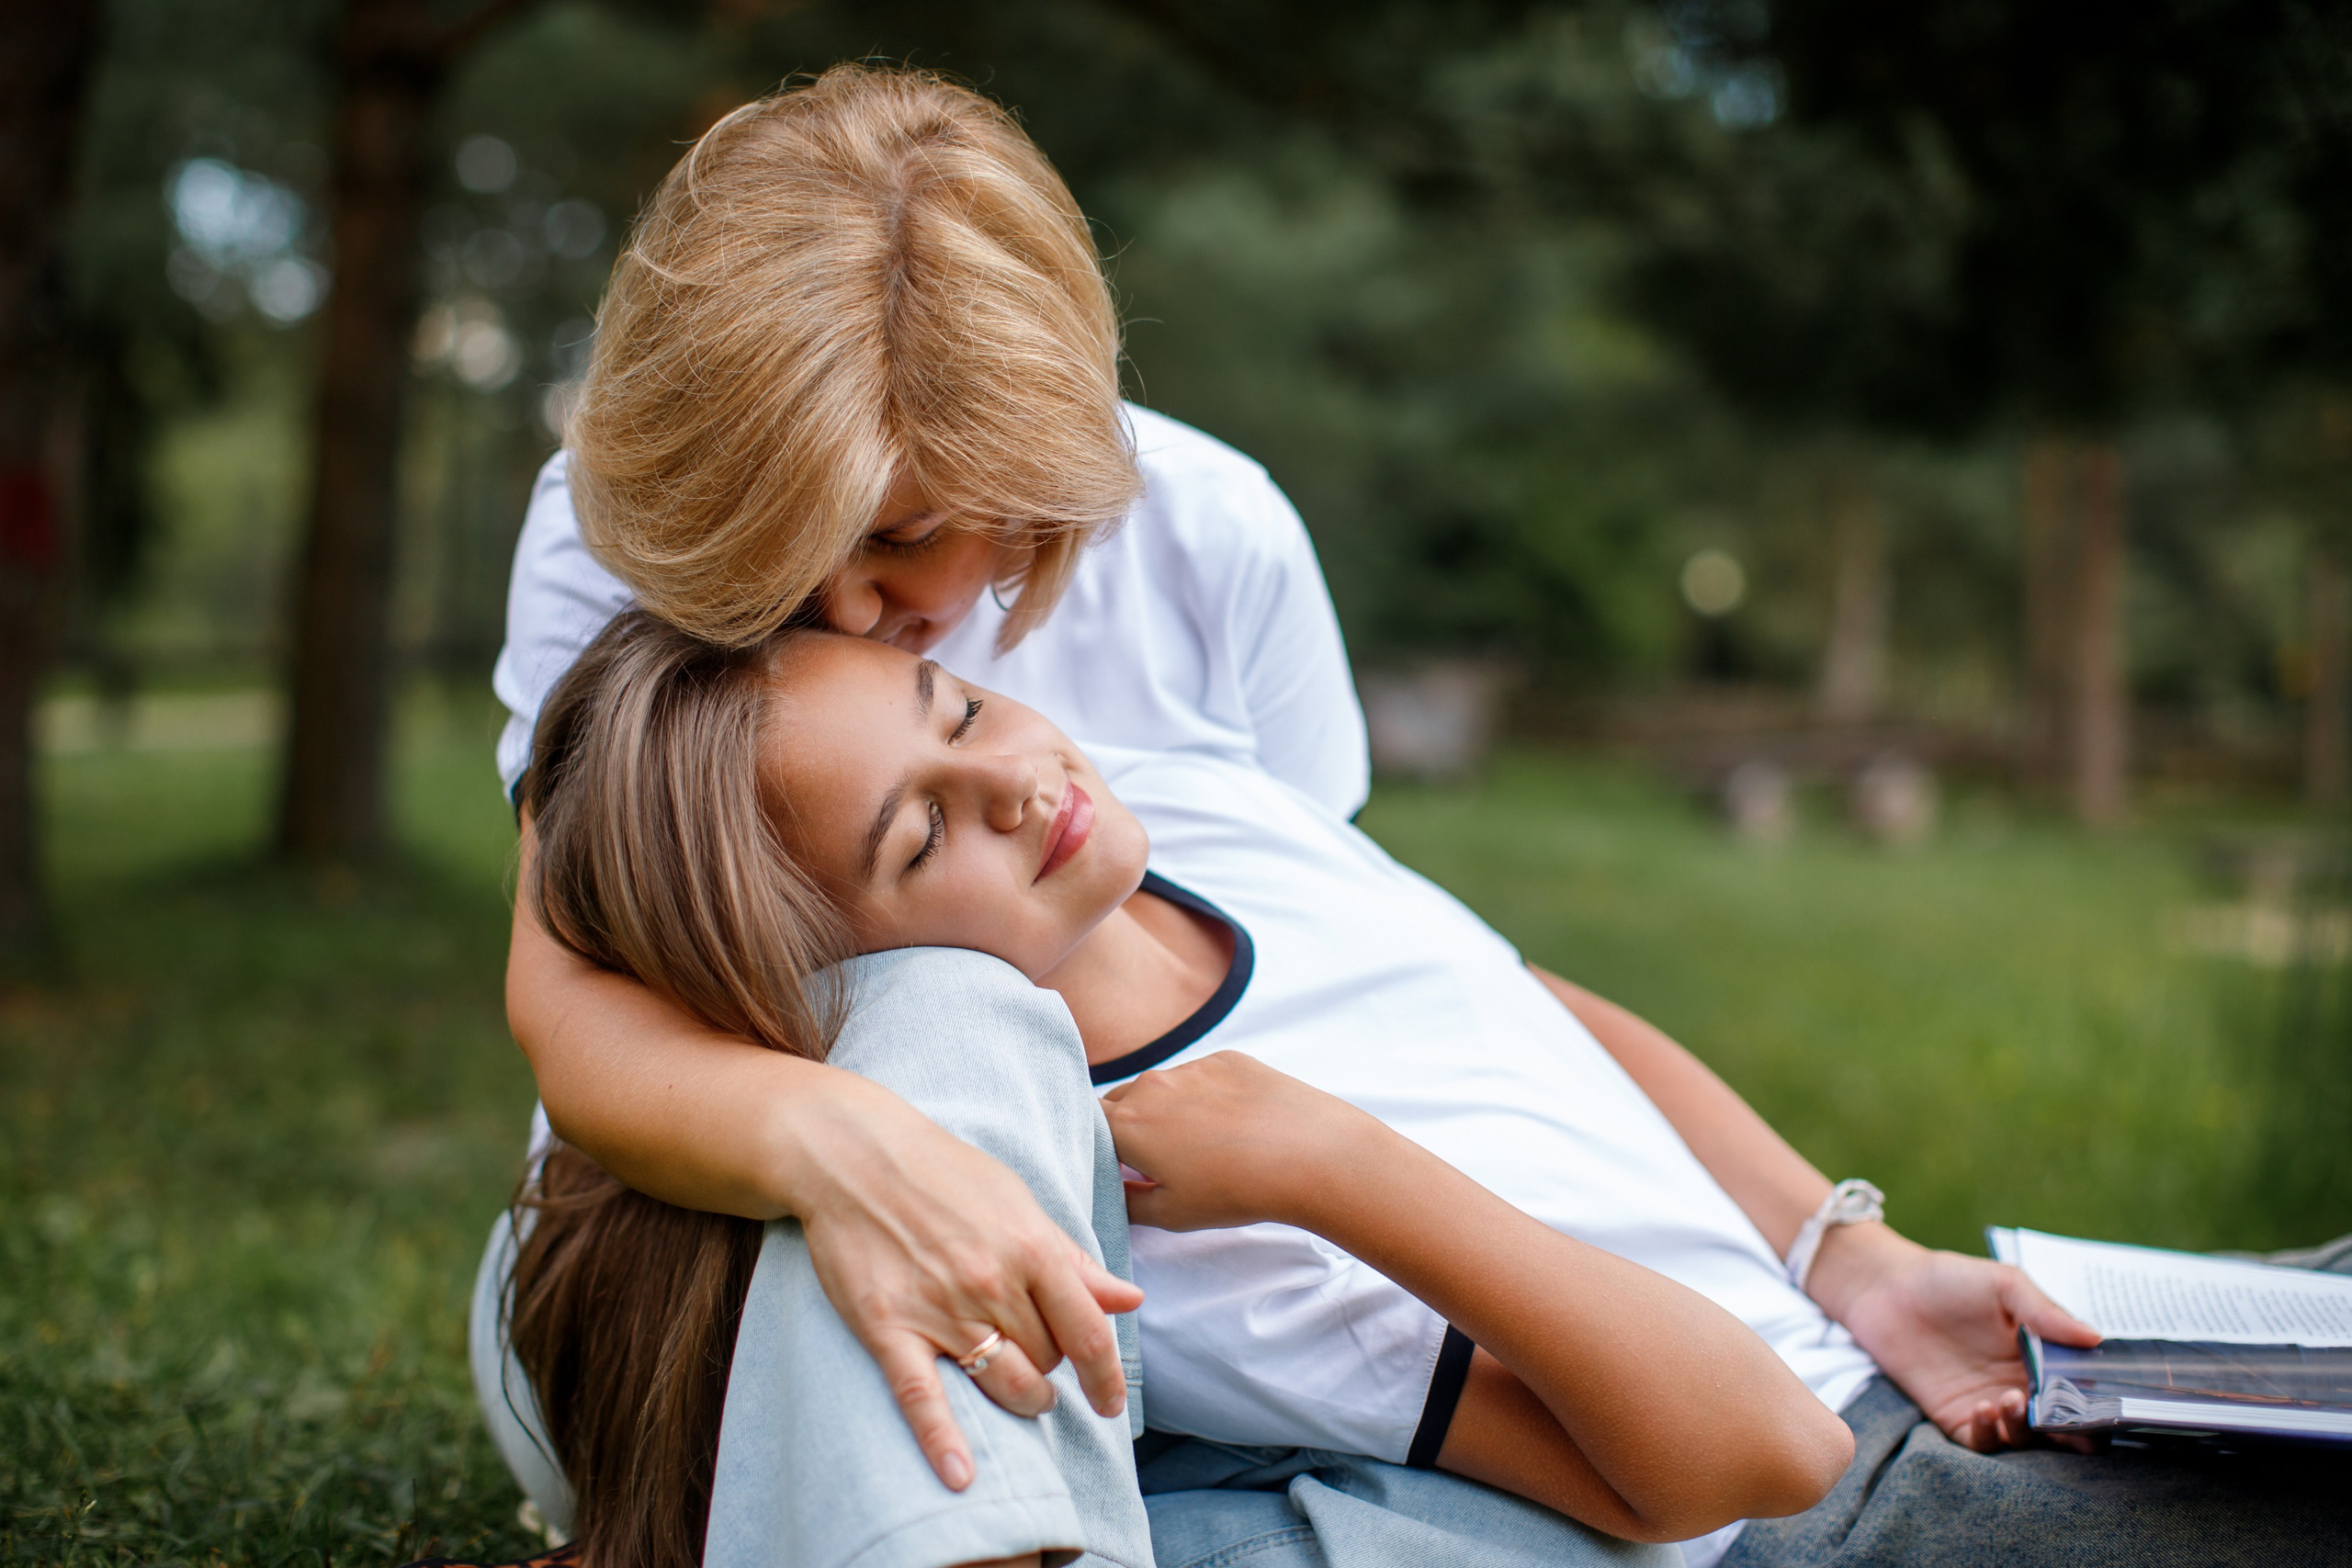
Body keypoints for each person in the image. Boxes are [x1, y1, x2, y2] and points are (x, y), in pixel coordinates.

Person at [470, 59, 2346, 1568]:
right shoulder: (670, 634)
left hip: (1720, 1336)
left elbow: (1467, 992)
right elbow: (594, 974)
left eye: (922, 577)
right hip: (1647, 1405)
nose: (874, 597)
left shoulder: (1177, 676)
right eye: (823, 554)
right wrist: (833, 1139)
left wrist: (1835, 1247)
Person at [506, 617, 2352, 1568]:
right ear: (853, 978)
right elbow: (1749, 1468)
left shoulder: (1176, 809)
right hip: (1877, 1501)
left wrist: (1834, 1242)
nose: (1010, 777)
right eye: (922, 833)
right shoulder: (1184, 1189)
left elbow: (1516, 999)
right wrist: (1330, 1161)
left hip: (1903, 1337)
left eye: (955, 705)